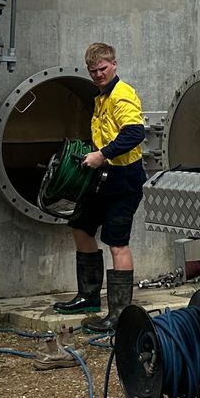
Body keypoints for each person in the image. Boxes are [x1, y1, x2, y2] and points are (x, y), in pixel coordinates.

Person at [53, 42, 147, 327]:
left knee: (117, 243)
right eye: (93, 71)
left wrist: (102, 155)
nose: (98, 74)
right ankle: (89, 297)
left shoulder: (122, 95)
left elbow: (135, 133)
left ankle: (120, 314)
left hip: (125, 178)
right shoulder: (101, 98)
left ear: (114, 64)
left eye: (102, 69)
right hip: (102, 178)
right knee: (80, 226)